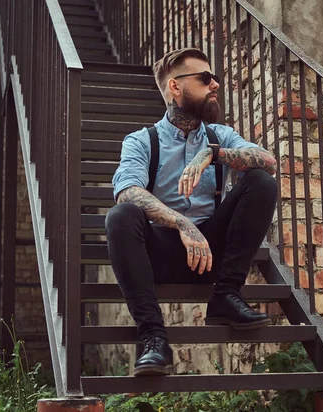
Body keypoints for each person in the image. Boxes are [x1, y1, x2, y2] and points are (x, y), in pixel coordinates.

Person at [105, 48, 278, 376]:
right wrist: (181, 223)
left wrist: (213, 156)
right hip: (162, 253)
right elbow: (127, 191)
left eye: (214, 78)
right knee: (121, 216)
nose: (215, 85)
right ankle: (153, 338)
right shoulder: (142, 141)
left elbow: (268, 161)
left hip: (212, 255)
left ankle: (226, 295)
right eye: (204, 78)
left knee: (260, 182)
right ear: (175, 87)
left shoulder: (218, 136)